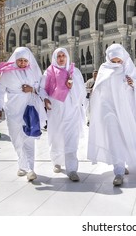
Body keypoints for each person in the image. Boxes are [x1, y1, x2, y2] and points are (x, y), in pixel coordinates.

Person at [87, 44, 136, 186]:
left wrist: (132, 83)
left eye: (118, 61)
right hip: (108, 110)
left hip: (125, 110)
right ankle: (119, 171)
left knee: (124, 137)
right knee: (114, 137)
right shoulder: (104, 69)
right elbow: (98, 90)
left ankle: (122, 162)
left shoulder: (128, 68)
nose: (116, 64)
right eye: (113, 61)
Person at [0, 47, 45, 182]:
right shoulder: (8, 74)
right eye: (20, 60)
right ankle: (22, 165)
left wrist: (32, 89)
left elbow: (42, 89)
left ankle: (30, 169)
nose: (22, 63)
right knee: (16, 140)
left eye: (24, 60)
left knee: (29, 139)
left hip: (29, 110)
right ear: (15, 60)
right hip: (13, 111)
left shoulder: (33, 73)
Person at [40, 48, 86, 182]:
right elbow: (42, 89)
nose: (61, 58)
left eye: (63, 56)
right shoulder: (49, 72)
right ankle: (57, 161)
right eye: (59, 56)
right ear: (55, 57)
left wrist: (71, 88)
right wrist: (45, 99)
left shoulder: (74, 72)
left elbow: (82, 91)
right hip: (55, 110)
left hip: (72, 111)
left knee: (72, 139)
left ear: (67, 57)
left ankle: (72, 169)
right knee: (56, 137)